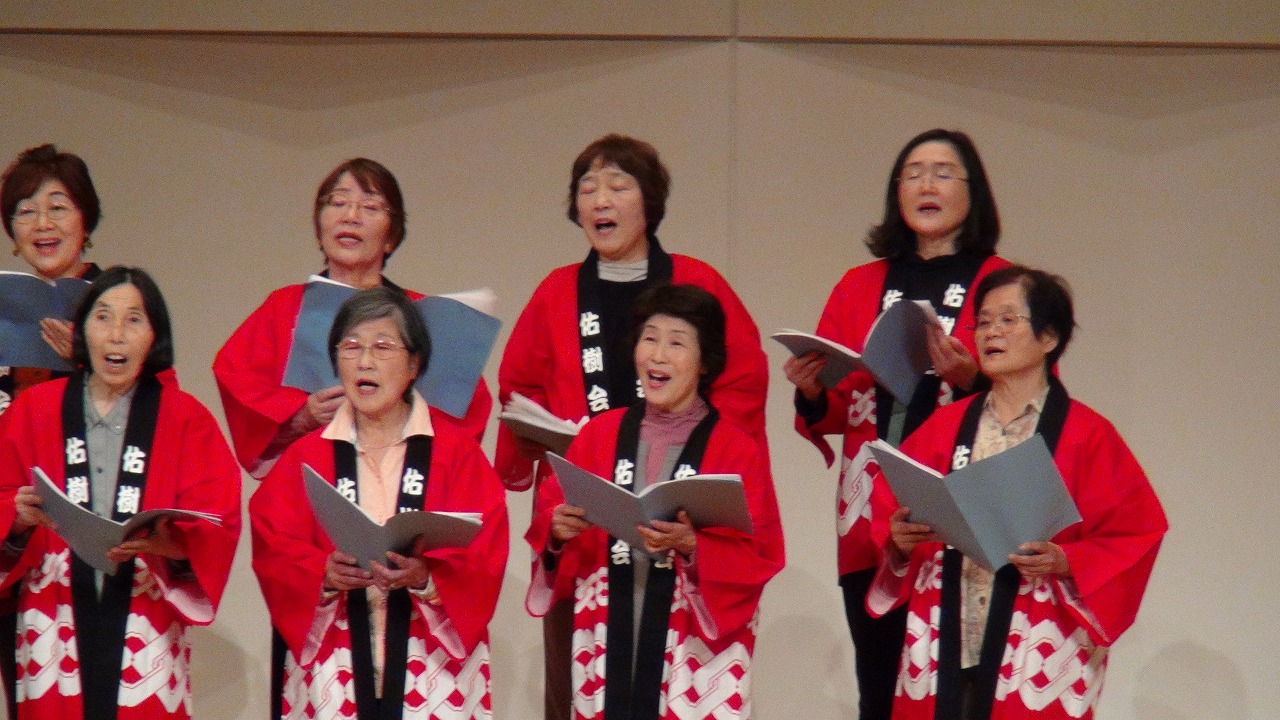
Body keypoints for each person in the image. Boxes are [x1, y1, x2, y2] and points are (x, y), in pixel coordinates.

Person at [496, 135, 769, 720]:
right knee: (578, 677)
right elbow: (518, 386)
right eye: (588, 188)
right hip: (589, 494)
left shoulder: (699, 280)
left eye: (618, 186)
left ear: (649, 202)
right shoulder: (556, 291)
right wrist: (552, 434)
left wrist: (700, 457)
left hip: (681, 500)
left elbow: (743, 380)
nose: (601, 200)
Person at [870, 265, 1167, 719]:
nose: (991, 332)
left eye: (1008, 320)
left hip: (1035, 639)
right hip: (945, 627)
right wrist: (900, 540)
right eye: (983, 322)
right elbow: (891, 505)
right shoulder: (945, 426)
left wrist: (1067, 560)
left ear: (1049, 337)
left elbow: (1135, 533)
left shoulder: (1087, 434)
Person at [782, 128, 1009, 720]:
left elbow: (1030, 394)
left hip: (966, 503)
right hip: (874, 514)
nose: (926, 185)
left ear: (973, 192)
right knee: (880, 686)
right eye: (913, 174)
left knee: (962, 687)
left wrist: (972, 381)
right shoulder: (858, 285)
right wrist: (812, 391)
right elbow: (840, 408)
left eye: (943, 173)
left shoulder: (1002, 283)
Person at [526, 283, 784, 720]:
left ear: (705, 362)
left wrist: (694, 545)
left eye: (676, 343)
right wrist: (556, 530)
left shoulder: (735, 450)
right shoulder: (598, 436)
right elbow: (551, 518)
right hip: (607, 630)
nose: (658, 356)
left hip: (689, 644)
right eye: (649, 338)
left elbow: (762, 552)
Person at [250, 287, 508, 720]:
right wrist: (322, 573)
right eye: (351, 347)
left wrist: (426, 575)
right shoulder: (305, 456)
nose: (364, 362)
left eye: (382, 347)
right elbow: (273, 546)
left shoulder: (457, 454)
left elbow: (485, 552)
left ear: (414, 364)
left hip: (430, 660)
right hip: (336, 657)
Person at [0, 266, 242, 720]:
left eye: (134, 320)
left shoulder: (187, 417)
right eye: (103, 317)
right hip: (54, 608)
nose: (116, 335)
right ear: (82, 331)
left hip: (145, 610)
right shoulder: (34, 409)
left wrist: (167, 542)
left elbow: (217, 522)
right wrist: (17, 518)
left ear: (154, 336)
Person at [213, 157, 492, 482]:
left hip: (401, 478)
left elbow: (466, 409)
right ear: (319, 230)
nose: (350, 216)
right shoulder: (285, 306)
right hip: (313, 476)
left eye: (370, 207)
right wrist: (300, 414)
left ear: (391, 237)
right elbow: (237, 379)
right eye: (337, 203)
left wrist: (399, 414)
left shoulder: (425, 316)